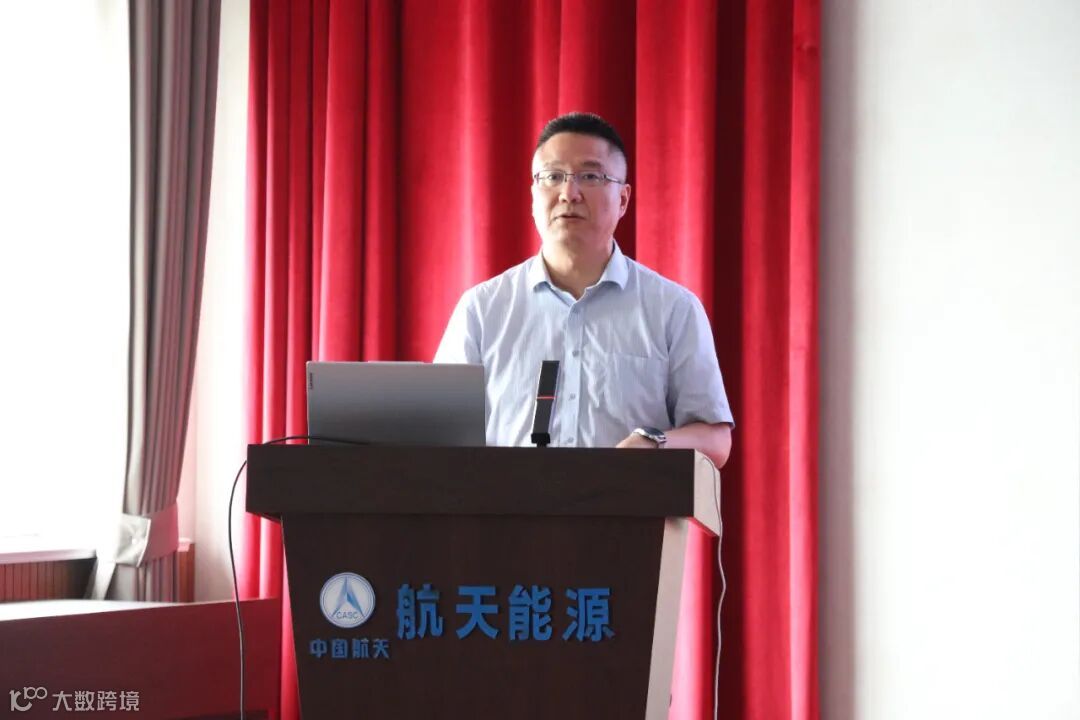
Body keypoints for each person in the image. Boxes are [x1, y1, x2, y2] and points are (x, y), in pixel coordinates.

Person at [434, 112, 734, 467]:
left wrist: (653, 443)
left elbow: (716, 440)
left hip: (629, 503)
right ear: (532, 196)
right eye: (552, 176)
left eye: (590, 176)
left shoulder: (673, 309)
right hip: (509, 504)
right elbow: (439, 437)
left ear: (623, 199)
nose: (568, 193)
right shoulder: (482, 309)